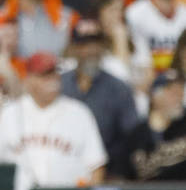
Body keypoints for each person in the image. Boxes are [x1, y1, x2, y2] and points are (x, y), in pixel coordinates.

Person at [0, 52, 107, 190]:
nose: (52, 79)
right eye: (44, 75)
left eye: (54, 72)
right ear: (28, 80)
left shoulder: (78, 112)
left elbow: (96, 167)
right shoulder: (10, 113)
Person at [59, 18, 139, 180]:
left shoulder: (118, 88)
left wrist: (118, 174)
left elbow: (131, 137)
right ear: (73, 49)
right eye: (84, 45)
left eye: (96, 44)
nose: (91, 51)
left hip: (107, 171)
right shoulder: (60, 85)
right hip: (62, 166)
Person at [124, 70, 186, 181]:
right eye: (173, 92)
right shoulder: (137, 135)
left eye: (180, 92)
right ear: (155, 96)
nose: (179, 97)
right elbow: (125, 176)